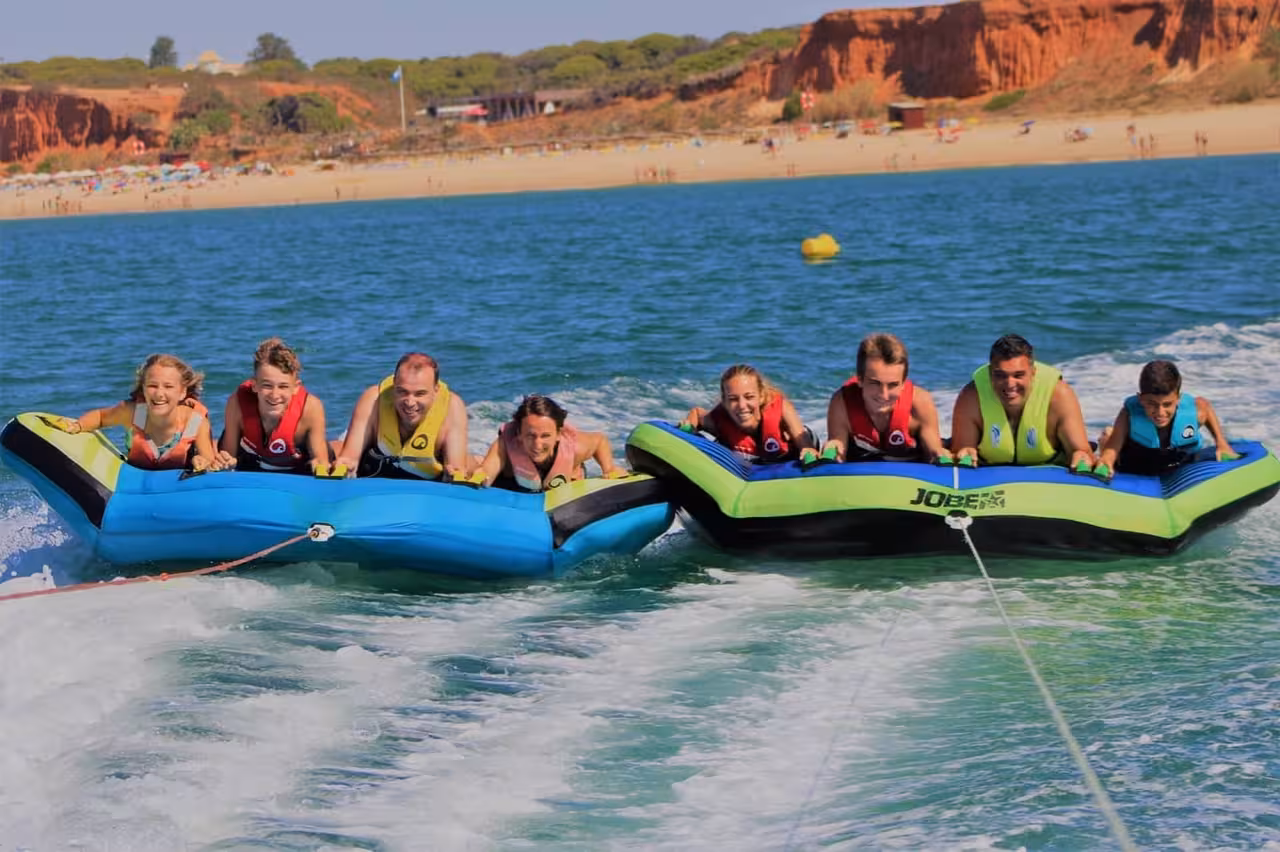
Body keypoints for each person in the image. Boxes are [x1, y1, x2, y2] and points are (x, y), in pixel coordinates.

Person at [50, 353, 216, 472]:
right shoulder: (134, 413)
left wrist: (202, 462)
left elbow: (208, 458)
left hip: (177, 486)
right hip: (136, 480)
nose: (159, 393)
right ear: (143, 389)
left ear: (182, 392)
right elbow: (100, 417)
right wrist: (78, 425)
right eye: (152, 386)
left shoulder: (196, 422)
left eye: (168, 387)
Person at [950, 334, 1093, 469]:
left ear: (1033, 372)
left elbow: (1081, 451)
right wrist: (965, 452)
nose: (1009, 384)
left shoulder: (1059, 395)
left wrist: (1081, 456)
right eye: (1000, 375)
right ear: (989, 373)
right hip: (990, 475)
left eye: (1018, 375)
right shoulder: (971, 395)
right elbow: (962, 450)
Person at [332, 352, 469, 479]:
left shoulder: (452, 408)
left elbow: (456, 467)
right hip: (376, 467)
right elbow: (350, 456)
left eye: (420, 394)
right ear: (393, 386)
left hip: (428, 477)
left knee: (470, 465)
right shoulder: (373, 399)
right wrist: (345, 465)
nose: (410, 402)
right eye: (402, 392)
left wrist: (454, 474)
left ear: (436, 391)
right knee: (333, 449)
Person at [1091, 360, 1233, 479]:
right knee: (1108, 435)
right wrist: (1106, 461)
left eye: (1167, 404)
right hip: (1136, 459)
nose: (1160, 412)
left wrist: (1221, 443)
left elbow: (1205, 406)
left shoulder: (1193, 412)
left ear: (1178, 399)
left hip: (1177, 459)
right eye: (1151, 404)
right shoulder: (1129, 414)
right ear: (1140, 399)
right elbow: (1113, 449)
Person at [822, 333, 950, 463]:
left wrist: (939, 454)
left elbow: (933, 452)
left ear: (903, 383)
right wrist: (834, 448)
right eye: (875, 383)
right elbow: (838, 449)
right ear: (860, 379)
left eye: (893, 385)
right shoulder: (842, 403)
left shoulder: (920, 403)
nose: (884, 395)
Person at [211, 337, 329, 474]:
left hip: (298, 467)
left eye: (283, 386)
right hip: (252, 462)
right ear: (254, 385)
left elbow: (321, 460)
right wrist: (226, 462)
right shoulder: (237, 403)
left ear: (296, 388)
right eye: (267, 386)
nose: (274, 394)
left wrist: (320, 465)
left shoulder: (311, 408)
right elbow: (229, 454)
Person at [475, 395, 626, 492]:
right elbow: (487, 471)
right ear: (519, 433)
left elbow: (599, 440)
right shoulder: (506, 445)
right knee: (475, 465)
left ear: (558, 435)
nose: (538, 445)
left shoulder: (575, 448)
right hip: (513, 483)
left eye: (545, 436)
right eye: (530, 435)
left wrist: (609, 468)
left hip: (564, 484)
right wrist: (480, 476)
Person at [679, 364, 817, 463]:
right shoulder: (719, 419)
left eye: (749, 397)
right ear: (724, 401)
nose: (742, 406)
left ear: (761, 396)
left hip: (789, 455)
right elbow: (696, 413)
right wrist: (688, 428)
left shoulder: (781, 409)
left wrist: (808, 451)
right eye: (733, 399)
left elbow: (805, 443)